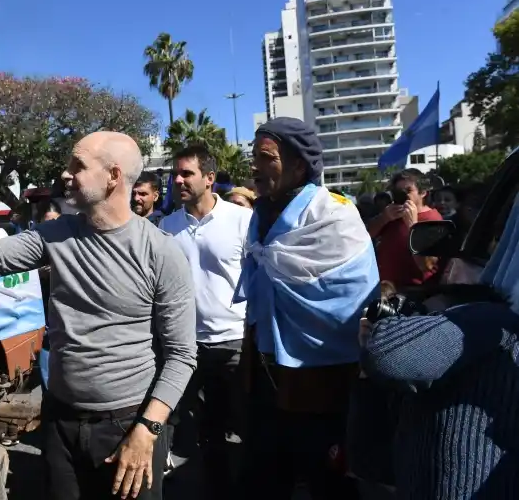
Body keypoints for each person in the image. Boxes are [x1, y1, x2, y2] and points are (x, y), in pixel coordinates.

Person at [0, 132, 197, 500]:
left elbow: (181, 356)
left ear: (113, 176)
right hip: (61, 424)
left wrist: (147, 432)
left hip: (129, 426)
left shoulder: (161, 252)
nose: (66, 174)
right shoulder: (55, 234)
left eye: (78, 165)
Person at [236, 117, 379, 499]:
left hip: (320, 379)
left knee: (327, 481)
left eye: (266, 158)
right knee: (264, 478)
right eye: (254, 157)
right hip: (264, 374)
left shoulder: (335, 213)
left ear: (299, 164)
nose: (255, 167)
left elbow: (353, 292)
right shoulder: (259, 214)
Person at [359, 192, 519, 499]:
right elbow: (371, 460)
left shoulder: (490, 321)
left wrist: (388, 328)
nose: (448, 268)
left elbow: (386, 354)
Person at [159, 145, 253, 492]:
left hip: (234, 343)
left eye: (187, 173)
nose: (178, 180)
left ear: (209, 178)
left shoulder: (243, 221)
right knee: (190, 426)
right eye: (176, 174)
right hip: (185, 346)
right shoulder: (166, 227)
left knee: (239, 427)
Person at [368, 169, 442, 288]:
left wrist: (413, 226)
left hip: (414, 291)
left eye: (408, 190)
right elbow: (365, 236)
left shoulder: (432, 219)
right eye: (398, 192)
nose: (403, 195)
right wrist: (384, 218)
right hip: (386, 289)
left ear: (423, 192)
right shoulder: (392, 213)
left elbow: (427, 265)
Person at [35, 199, 62, 392]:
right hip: (44, 323)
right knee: (47, 376)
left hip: (67, 322)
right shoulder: (32, 247)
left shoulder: (70, 244)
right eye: (47, 221)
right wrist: (38, 274)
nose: (52, 226)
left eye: (56, 221)